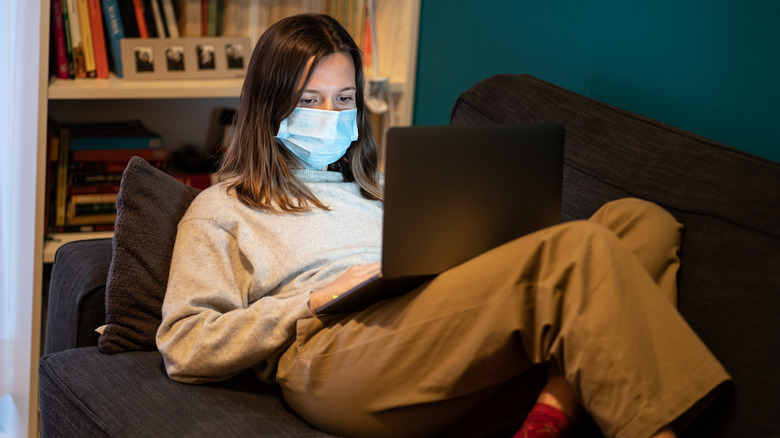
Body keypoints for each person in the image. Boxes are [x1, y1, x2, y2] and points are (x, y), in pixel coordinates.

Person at [156, 13, 730, 438]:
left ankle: (553, 410)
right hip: (335, 355)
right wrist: (309, 301)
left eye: (345, 98)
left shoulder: (384, 187)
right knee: (576, 249)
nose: (331, 117)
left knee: (640, 222)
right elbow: (183, 345)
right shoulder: (225, 208)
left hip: (432, 329)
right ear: (268, 105)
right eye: (310, 100)